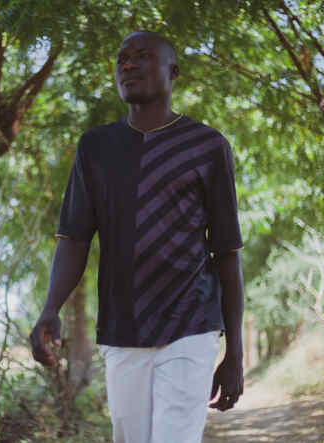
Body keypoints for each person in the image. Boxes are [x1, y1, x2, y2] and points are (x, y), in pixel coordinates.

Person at [30, 30, 245, 443]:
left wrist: (234, 353)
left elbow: (227, 254)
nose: (128, 65)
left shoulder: (208, 146)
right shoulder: (95, 148)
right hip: (122, 328)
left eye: (142, 56)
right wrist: (49, 308)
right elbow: (74, 238)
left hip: (191, 324)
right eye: (121, 59)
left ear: (173, 71)